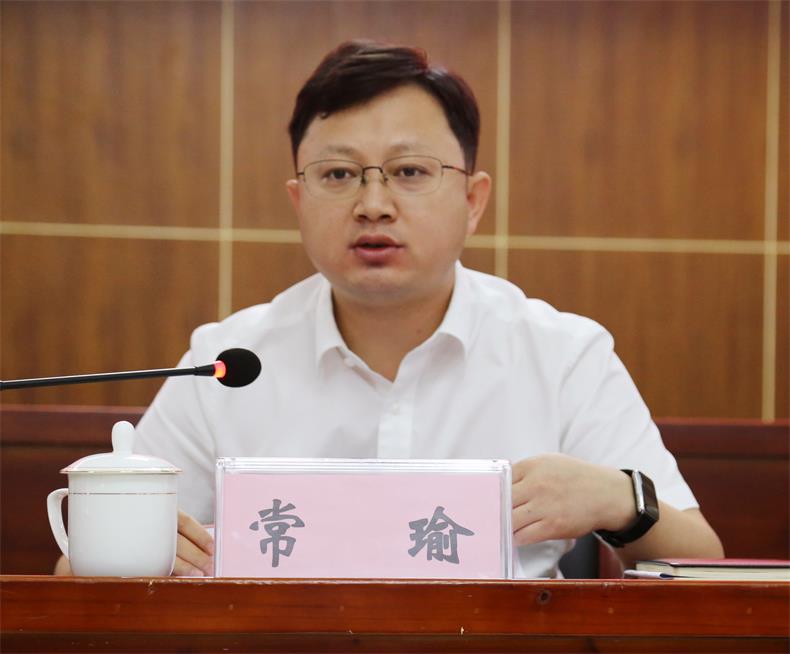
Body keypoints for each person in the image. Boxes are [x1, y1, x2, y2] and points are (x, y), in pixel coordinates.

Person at [56, 40, 722, 578]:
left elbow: (702, 563)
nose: (373, 205)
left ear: (473, 201)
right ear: (299, 201)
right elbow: (74, 574)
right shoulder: (227, 362)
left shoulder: (562, 354)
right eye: (338, 175)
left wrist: (621, 501)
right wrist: (140, 555)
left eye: (409, 172)